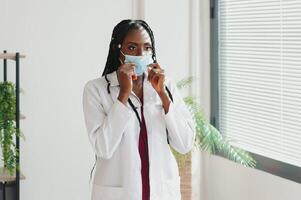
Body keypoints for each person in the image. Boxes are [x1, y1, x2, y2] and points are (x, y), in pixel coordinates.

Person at [82, 19, 195, 200]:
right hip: (120, 192)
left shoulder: (166, 86)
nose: (142, 54)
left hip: (160, 191)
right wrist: (123, 94)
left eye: (147, 48)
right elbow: (103, 148)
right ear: (117, 50)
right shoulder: (96, 89)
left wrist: (163, 96)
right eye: (132, 48)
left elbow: (185, 143)